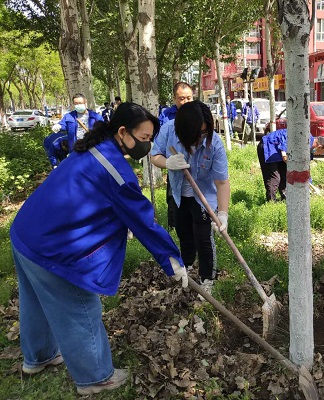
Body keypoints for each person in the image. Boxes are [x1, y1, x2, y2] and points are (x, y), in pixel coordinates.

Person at [10, 102, 188, 395]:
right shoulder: (115, 172)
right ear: (123, 132)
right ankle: (95, 378)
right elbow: (143, 221)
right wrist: (172, 260)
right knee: (80, 306)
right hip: (52, 246)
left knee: (36, 302)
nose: (147, 145)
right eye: (143, 138)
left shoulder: (92, 148)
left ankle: (38, 358)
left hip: (26, 232)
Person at [151, 100, 230, 295]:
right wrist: (167, 163)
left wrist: (223, 214)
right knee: (183, 231)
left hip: (203, 196)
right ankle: (186, 267)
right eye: (196, 134)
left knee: (203, 236)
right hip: (178, 193)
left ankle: (207, 278)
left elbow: (222, 182)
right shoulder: (169, 130)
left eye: (203, 132)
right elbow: (154, 155)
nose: (200, 138)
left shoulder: (214, 144)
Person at [157, 82, 194, 229]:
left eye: (188, 98)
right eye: (181, 98)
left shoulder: (199, 113)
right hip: (175, 166)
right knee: (174, 197)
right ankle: (173, 226)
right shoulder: (166, 116)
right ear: (174, 99)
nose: (185, 102)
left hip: (197, 168)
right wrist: (168, 162)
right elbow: (159, 144)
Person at [257, 127, 324, 201]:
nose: (321, 154)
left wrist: (308, 183)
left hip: (280, 153)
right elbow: (285, 152)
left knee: (285, 176)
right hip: (269, 146)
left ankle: (285, 200)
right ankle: (271, 203)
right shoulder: (303, 137)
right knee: (274, 178)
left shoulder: (309, 151)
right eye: (322, 152)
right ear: (319, 147)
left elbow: (305, 168)